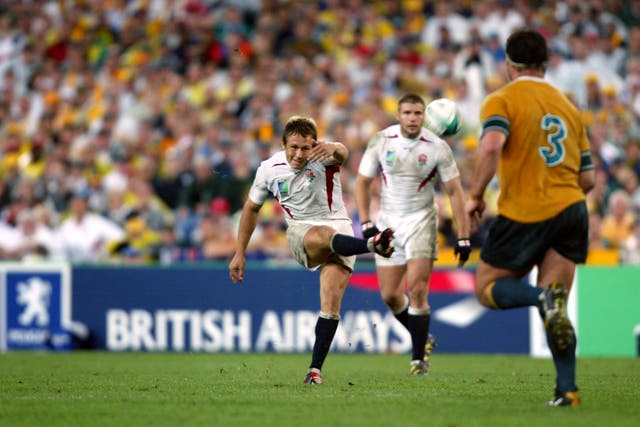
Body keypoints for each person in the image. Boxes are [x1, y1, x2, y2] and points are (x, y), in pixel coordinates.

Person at [464, 29, 595, 407]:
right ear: (545, 65)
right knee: (559, 304)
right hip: (572, 209)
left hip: (526, 210)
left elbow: (491, 144)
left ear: (509, 65)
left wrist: (475, 196)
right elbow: (587, 178)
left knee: (487, 288)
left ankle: (540, 298)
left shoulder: (502, 99)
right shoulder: (568, 107)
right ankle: (567, 389)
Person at [229, 115, 394, 385]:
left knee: (330, 303)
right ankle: (371, 245)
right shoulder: (269, 169)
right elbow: (251, 208)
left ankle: (314, 371)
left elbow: (341, 151)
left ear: (314, 145)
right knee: (323, 235)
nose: (298, 154)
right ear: (283, 145)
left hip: (339, 228)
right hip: (301, 232)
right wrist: (239, 252)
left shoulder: (326, 156)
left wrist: (334, 147)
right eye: (293, 147)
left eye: (305, 148)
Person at [355, 93, 471, 376]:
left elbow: (455, 191)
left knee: (418, 289)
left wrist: (463, 235)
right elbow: (362, 181)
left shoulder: (438, 148)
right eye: (407, 113)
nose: (412, 118)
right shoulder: (381, 141)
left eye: (417, 113)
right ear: (398, 114)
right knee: (391, 296)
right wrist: (367, 221)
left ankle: (418, 360)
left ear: (424, 116)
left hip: (422, 222)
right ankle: (423, 337)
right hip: (388, 225)